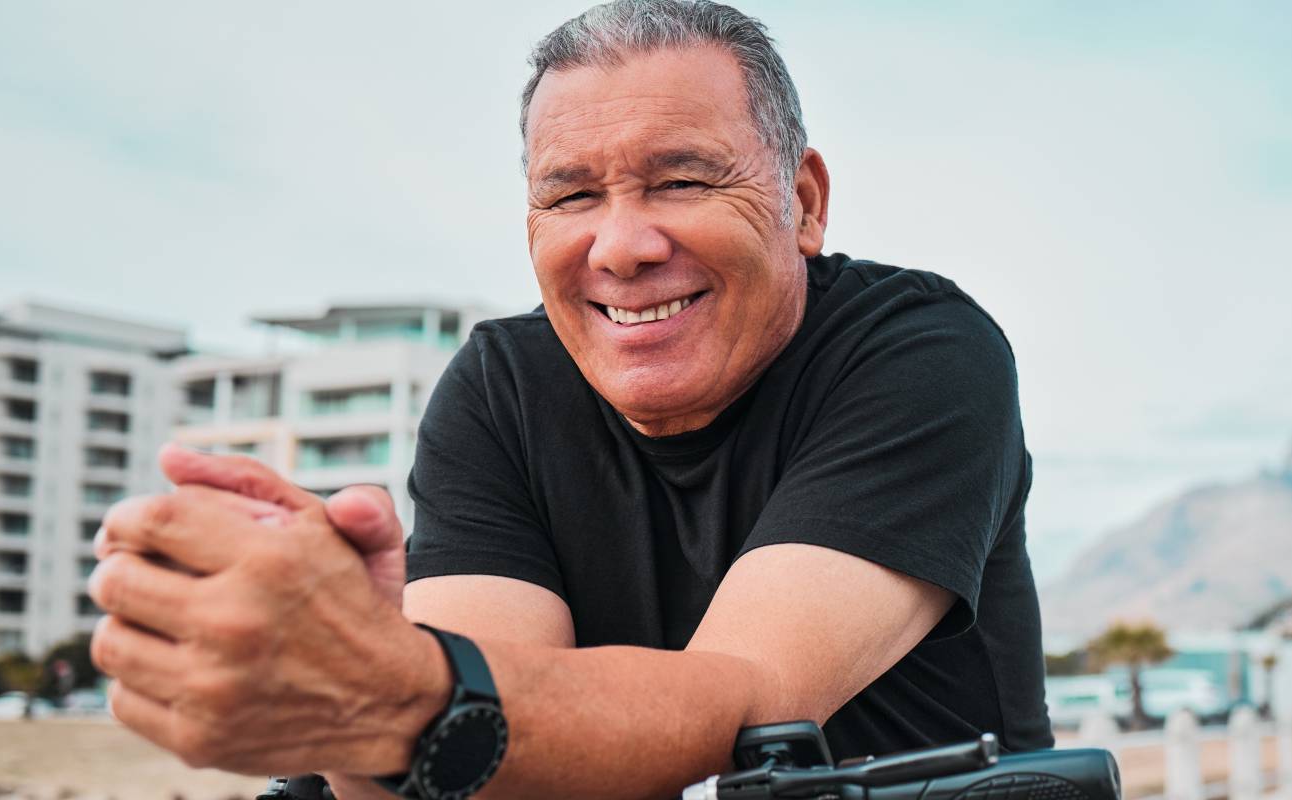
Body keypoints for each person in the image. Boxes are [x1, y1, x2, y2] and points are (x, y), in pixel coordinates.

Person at [88, 1, 1051, 797]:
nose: (622, 246)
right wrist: (338, 680)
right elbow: (465, 757)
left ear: (802, 203)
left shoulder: (923, 351)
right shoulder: (504, 385)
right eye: (572, 196)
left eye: (680, 178)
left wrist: (391, 689)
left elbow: (751, 705)